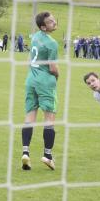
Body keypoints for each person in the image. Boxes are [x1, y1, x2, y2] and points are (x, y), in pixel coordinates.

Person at [21, 12, 60, 171]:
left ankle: (25, 152)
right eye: (50, 22)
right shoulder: (52, 43)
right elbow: (52, 67)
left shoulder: (35, 36)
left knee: (30, 116)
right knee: (49, 118)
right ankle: (48, 156)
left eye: (53, 19)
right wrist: (58, 74)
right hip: (45, 81)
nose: (54, 22)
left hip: (31, 79)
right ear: (43, 27)